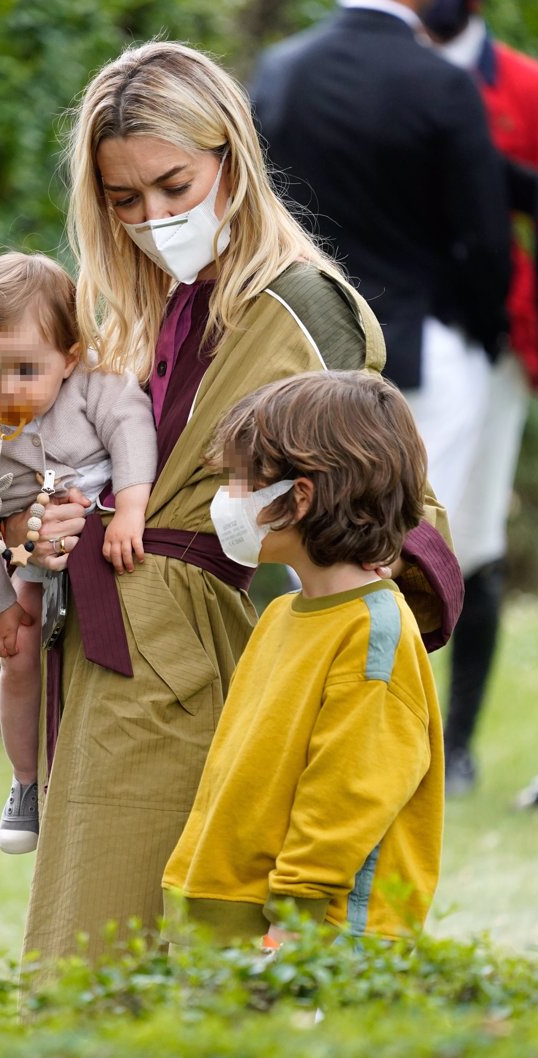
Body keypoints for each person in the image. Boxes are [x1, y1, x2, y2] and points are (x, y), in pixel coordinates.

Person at [5, 40, 462, 965]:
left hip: (179, 653)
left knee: (112, 964)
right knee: (93, 955)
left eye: (174, 186)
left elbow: (388, 488)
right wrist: (49, 527)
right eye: (124, 201)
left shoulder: (301, 305)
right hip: (114, 642)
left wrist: (356, 621)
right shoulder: (148, 300)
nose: (154, 217)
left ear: (232, 159)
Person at [162, 370, 443, 947]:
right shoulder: (281, 616)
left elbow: (348, 795)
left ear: (300, 496)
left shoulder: (374, 632)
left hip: (308, 941)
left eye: (240, 481)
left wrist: (290, 923)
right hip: (227, 919)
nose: (225, 501)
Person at [251, 0, 511, 523]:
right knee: (420, 543)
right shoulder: (442, 83)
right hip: (424, 351)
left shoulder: (280, 70)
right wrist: (484, 333)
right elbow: (486, 237)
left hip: (302, 349)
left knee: (308, 542)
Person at [0, 251, 157, 853]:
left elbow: (133, 433)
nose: (5, 388)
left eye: (25, 369)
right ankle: (23, 783)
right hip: (33, 561)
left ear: (70, 358)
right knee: (18, 658)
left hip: (106, 537)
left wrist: (131, 509)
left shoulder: (97, 385)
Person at [418, 0, 538, 796]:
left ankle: (457, 746)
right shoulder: (384, 74)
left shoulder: (524, 87)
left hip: (497, 343)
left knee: (482, 538)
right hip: (399, 337)